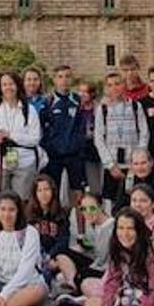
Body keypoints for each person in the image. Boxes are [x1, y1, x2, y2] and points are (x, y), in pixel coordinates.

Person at [75, 210, 154, 306]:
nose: (125, 234)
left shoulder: (150, 254)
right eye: (121, 228)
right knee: (91, 303)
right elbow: (112, 282)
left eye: (130, 229)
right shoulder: (118, 250)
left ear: (139, 231)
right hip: (122, 304)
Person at [0, 72, 43, 199]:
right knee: (0, 200)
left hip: (24, 163)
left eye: (11, 84)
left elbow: (35, 138)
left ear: (17, 86)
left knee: (23, 202)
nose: (8, 87)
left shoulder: (30, 110)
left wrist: (12, 136)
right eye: (4, 84)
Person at [95, 72, 150, 209]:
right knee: (110, 203)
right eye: (110, 85)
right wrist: (110, 165)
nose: (114, 88)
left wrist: (138, 160)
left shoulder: (136, 107)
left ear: (124, 85)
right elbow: (99, 138)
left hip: (133, 165)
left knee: (134, 199)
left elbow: (144, 133)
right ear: (106, 88)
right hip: (112, 165)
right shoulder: (102, 109)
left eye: (117, 84)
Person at [55, 191, 114, 306]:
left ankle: (83, 298)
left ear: (101, 206)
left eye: (92, 208)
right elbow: (92, 250)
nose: (88, 212)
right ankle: (73, 284)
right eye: (84, 209)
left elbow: (103, 258)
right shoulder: (93, 225)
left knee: (83, 276)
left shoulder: (110, 227)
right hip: (95, 262)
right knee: (62, 253)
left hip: (104, 268)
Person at [41, 65, 90, 203]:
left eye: (67, 76)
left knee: (79, 193)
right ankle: (55, 222)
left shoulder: (78, 100)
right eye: (60, 77)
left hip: (75, 155)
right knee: (52, 192)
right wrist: (48, 147)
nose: (64, 80)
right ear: (54, 80)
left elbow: (84, 125)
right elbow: (42, 129)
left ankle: (82, 223)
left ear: (72, 79)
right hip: (54, 156)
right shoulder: (48, 102)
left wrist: (79, 144)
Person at [26, 174, 75, 294]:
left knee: (63, 259)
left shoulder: (61, 213)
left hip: (54, 256)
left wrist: (51, 256)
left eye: (46, 189)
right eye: (40, 190)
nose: (43, 193)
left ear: (53, 191)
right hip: (34, 255)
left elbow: (64, 239)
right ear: (35, 193)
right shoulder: (28, 214)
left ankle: (71, 284)